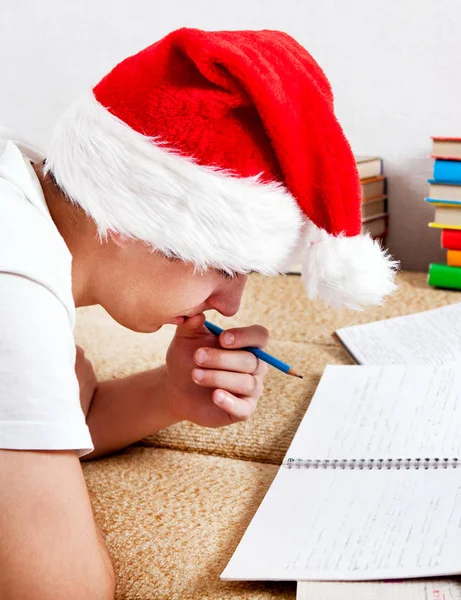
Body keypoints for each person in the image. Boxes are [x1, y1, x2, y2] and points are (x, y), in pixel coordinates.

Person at [0, 28, 397, 600]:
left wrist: (170, 395)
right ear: (137, 220)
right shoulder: (13, 276)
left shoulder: (25, 180)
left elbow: (62, 413)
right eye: (224, 267)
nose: (231, 304)